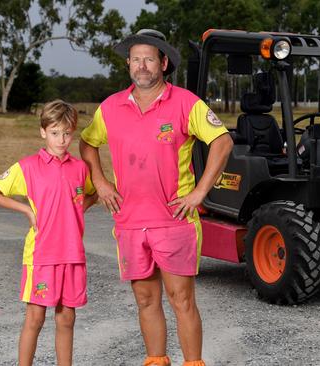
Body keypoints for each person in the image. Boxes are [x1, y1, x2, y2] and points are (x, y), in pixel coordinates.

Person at [79, 29, 233, 366]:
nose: (142, 66)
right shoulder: (111, 107)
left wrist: (200, 192)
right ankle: (156, 360)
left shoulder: (186, 103)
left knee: (182, 300)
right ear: (129, 65)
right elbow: (87, 143)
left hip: (174, 222)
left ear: (163, 62)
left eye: (149, 58)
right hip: (131, 223)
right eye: (136, 59)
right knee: (146, 301)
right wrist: (101, 182)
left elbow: (222, 142)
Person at [0, 100, 97, 366]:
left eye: (67, 133)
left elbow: (91, 195)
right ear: (43, 132)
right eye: (55, 133)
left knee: (67, 319)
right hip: (41, 255)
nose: (62, 139)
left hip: (72, 254)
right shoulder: (28, 166)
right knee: (35, 318)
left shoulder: (80, 169)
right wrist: (26, 211)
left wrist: (78, 210)